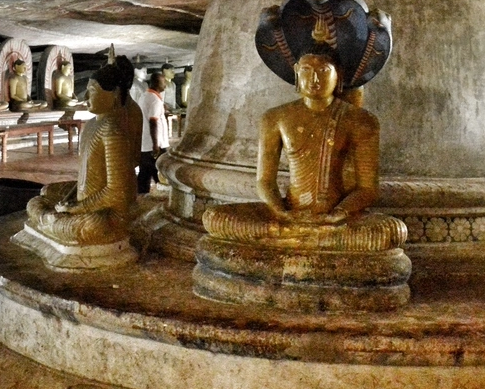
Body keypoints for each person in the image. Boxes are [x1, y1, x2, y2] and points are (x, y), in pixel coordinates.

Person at [200, 46, 404, 251]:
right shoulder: (275, 117)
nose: (314, 79)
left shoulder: (361, 120)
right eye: (306, 70)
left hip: (336, 219)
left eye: (323, 71)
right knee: (215, 218)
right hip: (291, 213)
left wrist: (339, 213)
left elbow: (367, 189)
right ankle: (307, 236)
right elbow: (264, 180)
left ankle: (295, 237)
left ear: (338, 74)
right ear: (297, 71)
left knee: (392, 232)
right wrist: (280, 211)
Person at [23, 57, 143, 249]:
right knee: (45, 193)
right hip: (85, 199)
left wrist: (78, 208)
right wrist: (70, 198)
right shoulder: (91, 125)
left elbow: (117, 192)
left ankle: (51, 220)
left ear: (115, 94)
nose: (85, 97)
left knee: (91, 226)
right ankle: (53, 219)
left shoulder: (113, 131)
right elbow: (84, 176)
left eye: (93, 91)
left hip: (106, 213)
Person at [137, 73, 168, 194]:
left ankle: (141, 195)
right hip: (154, 143)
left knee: (145, 172)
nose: (165, 84)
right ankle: (164, 195)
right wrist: (155, 144)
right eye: (163, 82)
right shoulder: (155, 100)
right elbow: (153, 122)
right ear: (156, 83)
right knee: (160, 171)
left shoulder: (145, 96)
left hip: (145, 142)